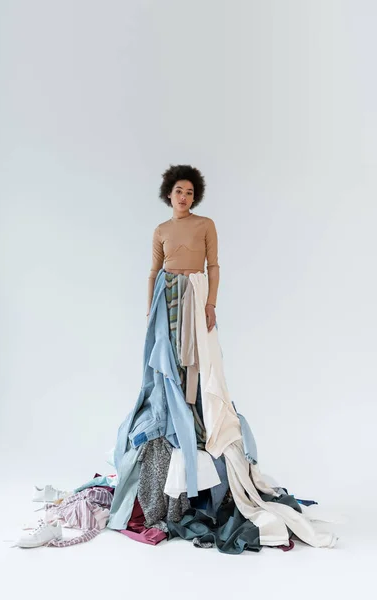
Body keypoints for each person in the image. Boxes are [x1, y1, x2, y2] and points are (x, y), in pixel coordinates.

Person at [105, 164, 339, 553]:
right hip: (168, 297)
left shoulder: (206, 225)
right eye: (179, 192)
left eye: (190, 193)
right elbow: (152, 271)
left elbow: (214, 266)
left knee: (201, 361)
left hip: (195, 296)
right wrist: (150, 312)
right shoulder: (161, 231)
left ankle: (196, 417)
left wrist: (211, 303)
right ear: (169, 194)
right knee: (166, 365)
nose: (185, 198)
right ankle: (171, 415)